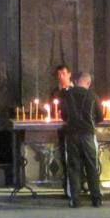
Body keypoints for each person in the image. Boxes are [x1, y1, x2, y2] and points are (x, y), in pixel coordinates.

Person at [61, 71, 103, 208]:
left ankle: (75, 199)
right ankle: (96, 198)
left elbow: (64, 115)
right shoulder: (93, 96)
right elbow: (100, 117)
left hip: (72, 135)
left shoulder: (67, 95)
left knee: (74, 167)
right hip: (88, 135)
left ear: (76, 80)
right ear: (88, 82)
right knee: (92, 166)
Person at [49, 64, 72, 197]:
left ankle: (80, 184)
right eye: (58, 75)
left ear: (69, 74)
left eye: (63, 73)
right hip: (62, 129)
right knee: (64, 156)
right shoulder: (55, 92)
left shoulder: (77, 90)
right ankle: (66, 187)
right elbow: (52, 109)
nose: (61, 77)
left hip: (76, 128)